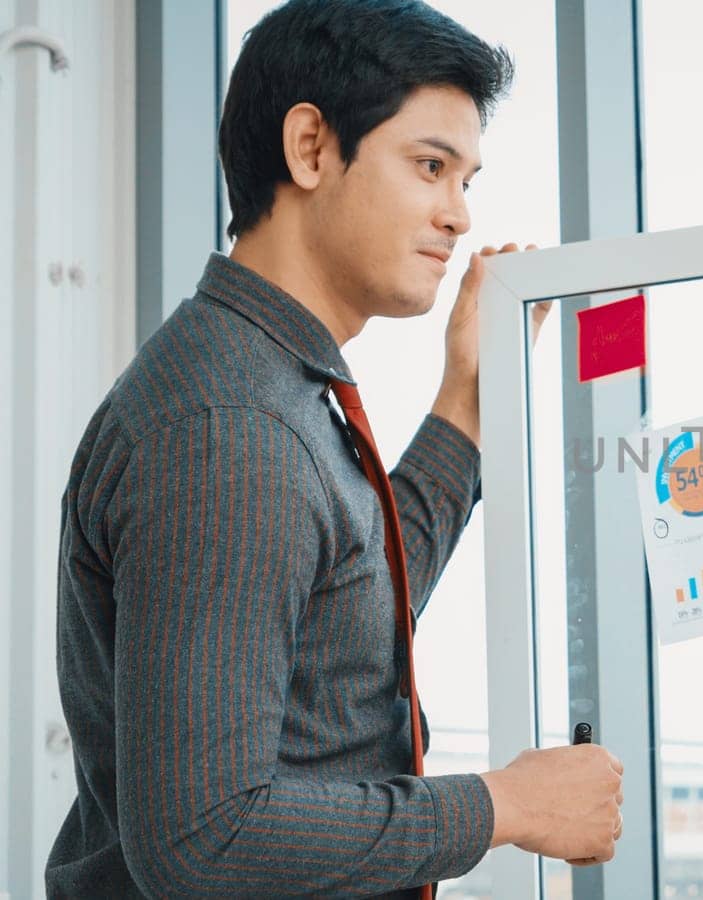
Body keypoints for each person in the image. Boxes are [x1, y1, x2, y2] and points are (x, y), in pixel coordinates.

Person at [47, 2, 622, 896]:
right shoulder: (228, 425)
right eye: (431, 167)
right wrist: (506, 805)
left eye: (467, 179)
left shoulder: (267, 388)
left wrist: (463, 404)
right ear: (311, 148)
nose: (460, 215)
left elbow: (347, 626)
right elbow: (204, 840)